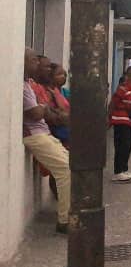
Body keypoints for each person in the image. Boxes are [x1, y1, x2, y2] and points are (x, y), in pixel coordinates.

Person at [22, 48, 72, 233]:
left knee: (68, 167)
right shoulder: (24, 85)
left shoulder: (29, 84)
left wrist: (42, 108)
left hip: (43, 133)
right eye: (34, 60)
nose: (39, 65)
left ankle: (67, 214)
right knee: (65, 169)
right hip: (35, 134)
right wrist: (43, 108)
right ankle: (64, 219)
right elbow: (35, 113)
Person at [109, 65, 131, 182]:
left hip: (128, 121)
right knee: (121, 146)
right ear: (129, 75)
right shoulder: (123, 88)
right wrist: (109, 118)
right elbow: (113, 103)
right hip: (120, 120)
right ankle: (118, 172)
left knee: (128, 146)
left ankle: (124, 169)